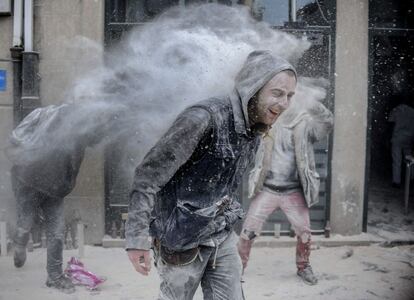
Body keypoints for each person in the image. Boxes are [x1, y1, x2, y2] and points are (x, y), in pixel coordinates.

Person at [125, 50, 297, 299]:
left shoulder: (254, 129)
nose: (284, 104)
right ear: (253, 88)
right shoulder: (203, 118)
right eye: (277, 93)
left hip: (221, 234)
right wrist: (137, 238)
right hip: (180, 240)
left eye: (290, 96)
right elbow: (147, 176)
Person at [6, 102, 123, 293]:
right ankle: (20, 242)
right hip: (28, 181)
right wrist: (33, 154)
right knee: (26, 222)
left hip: (54, 187)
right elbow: (17, 137)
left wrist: (113, 118)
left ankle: (54, 276)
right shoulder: (43, 115)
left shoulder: (80, 127)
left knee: (57, 233)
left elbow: (96, 137)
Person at [237, 99, 333, 286]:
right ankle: (238, 267)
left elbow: (328, 122)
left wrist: (312, 102)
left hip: (293, 191)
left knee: (305, 233)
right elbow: (244, 121)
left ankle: (303, 267)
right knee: (247, 232)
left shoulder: (306, 125)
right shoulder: (265, 122)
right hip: (267, 190)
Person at [388, 101, 414, 188]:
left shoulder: (397, 109)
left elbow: (390, 120)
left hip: (397, 137)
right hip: (409, 137)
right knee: (409, 157)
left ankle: (396, 181)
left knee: (397, 160)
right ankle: (412, 178)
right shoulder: (412, 111)